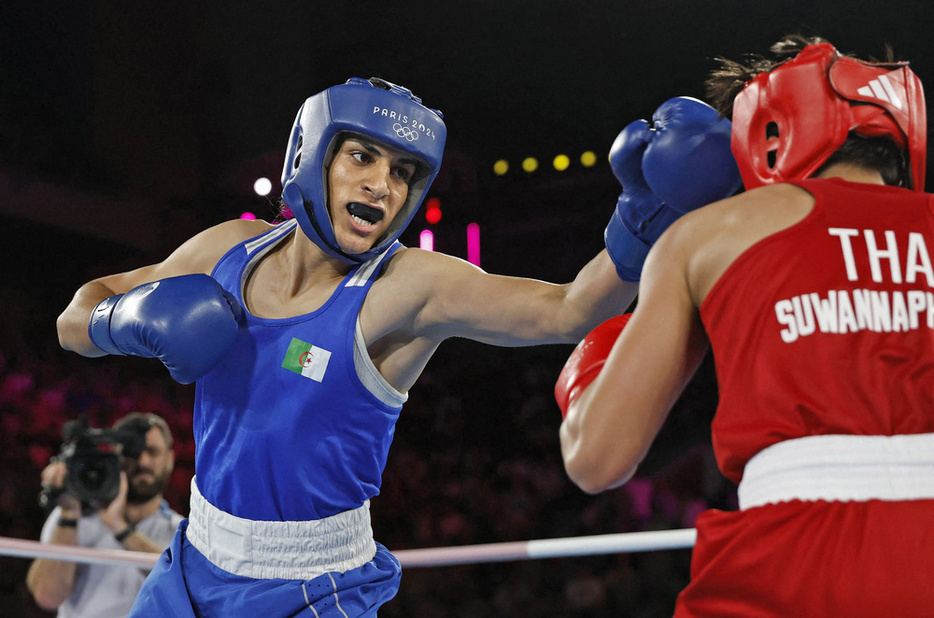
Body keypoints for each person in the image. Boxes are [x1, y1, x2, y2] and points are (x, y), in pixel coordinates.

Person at [55, 76, 740, 616]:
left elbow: (567, 310)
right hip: (192, 559)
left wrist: (640, 217)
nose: (381, 185)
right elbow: (73, 316)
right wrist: (120, 319)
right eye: (361, 155)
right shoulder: (225, 249)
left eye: (404, 171)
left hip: (307, 590)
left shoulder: (406, 286)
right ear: (311, 155)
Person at [557, 35, 934, 615]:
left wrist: (594, 363)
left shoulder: (709, 235)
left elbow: (597, 459)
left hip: (790, 556)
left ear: (768, 133)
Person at [26, 412, 183, 617]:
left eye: (152, 452)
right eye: (131, 453)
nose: (142, 461)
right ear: (114, 457)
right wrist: (69, 517)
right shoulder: (70, 516)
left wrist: (120, 528)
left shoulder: (182, 531)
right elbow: (48, 596)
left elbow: (182, 592)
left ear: (170, 459)